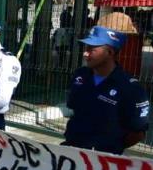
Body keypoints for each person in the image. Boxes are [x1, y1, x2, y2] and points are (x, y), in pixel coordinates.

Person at [63, 26, 149, 155]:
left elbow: (137, 133)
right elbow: (75, 109)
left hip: (104, 159)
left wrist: (111, 146)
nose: (85, 53)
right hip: (73, 151)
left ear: (110, 52)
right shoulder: (80, 75)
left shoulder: (130, 88)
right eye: (86, 48)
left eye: (92, 49)